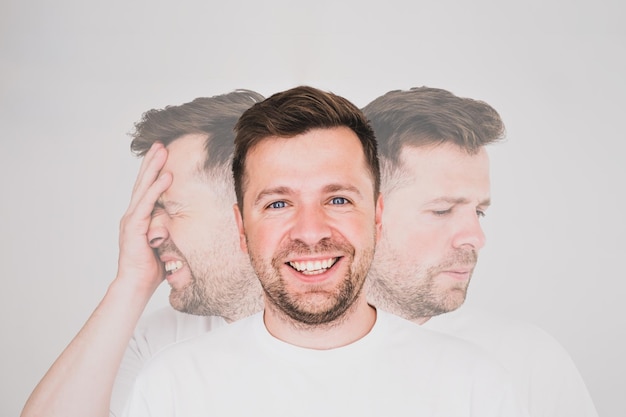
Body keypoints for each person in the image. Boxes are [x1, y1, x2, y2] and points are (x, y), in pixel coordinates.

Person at [122, 86, 526, 417]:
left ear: (377, 216)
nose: (311, 232)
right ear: (242, 228)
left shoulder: (474, 383)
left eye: (338, 200)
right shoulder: (173, 385)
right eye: (278, 204)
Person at [20, 90, 265, 417]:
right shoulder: (163, 339)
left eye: (170, 209)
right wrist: (131, 282)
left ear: (245, 215)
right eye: (150, 209)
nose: (150, 230)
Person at [363, 86, 599, 417]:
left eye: (479, 212)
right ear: (363, 212)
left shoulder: (530, 362)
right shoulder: (285, 352)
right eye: (442, 210)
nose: (475, 237)